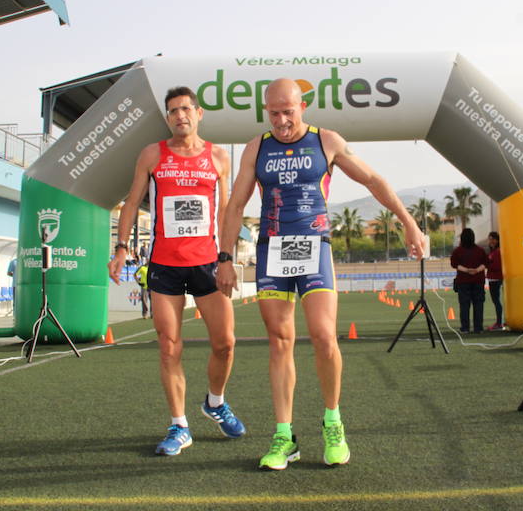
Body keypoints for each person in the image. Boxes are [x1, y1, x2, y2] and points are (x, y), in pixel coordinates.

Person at [216, 78, 425, 470]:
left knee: (325, 336)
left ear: (302, 107)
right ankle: (284, 437)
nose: (281, 121)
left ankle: (333, 423)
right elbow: (236, 206)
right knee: (280, 341)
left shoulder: (326, 141)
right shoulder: (256, 148)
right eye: (273, 113)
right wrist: (225, 258)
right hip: (272, 251)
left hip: (314, 246)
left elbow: (372, 180)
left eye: (287, 112)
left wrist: (409, 222)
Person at [108, 85, 245, 456]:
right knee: (169, 348)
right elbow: (131, 202)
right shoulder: (152, 154)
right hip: (165, 265)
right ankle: (179, 425)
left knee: (225, 343)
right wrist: (121, 249)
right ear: (167, 118)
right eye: (173, 111)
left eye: (186, 109)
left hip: (207, 263)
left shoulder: (218, 156)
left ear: (198, 113)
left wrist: (226, 257)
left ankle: (215, 403)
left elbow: (225, 210)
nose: (180, 115)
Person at [450, 228, 488, 333]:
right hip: (478, 280)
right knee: (478, 304)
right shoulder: (480, 250)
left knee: (464, 305)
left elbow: (454, 264)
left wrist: (467, 270)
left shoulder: (458, 251)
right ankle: (478, 327)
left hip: (463, 281)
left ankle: (465, 327)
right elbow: (486, 263)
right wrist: (476, 270)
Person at [485, 231, 505, 330]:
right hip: (493, 278)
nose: (491, 241)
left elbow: (497, 266)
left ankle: (499, 323)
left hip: (496, 278)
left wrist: (486, 264)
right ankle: (500, 322)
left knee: (496, 301)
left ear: (497, 240)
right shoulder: (493, 251)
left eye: (493, 239)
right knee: (496, 301)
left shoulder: (497, 252)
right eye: (490, 239)